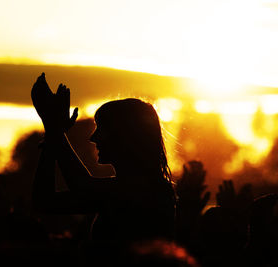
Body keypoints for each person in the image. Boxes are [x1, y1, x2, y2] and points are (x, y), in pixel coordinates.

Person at [31, 73, 176, 242]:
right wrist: (52, 135)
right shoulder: (143, 188)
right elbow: (45, 201)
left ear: (124, 135)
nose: (93, 138)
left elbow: (82, 186)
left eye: (102, 129)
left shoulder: (146, 191)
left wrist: (55, 130)